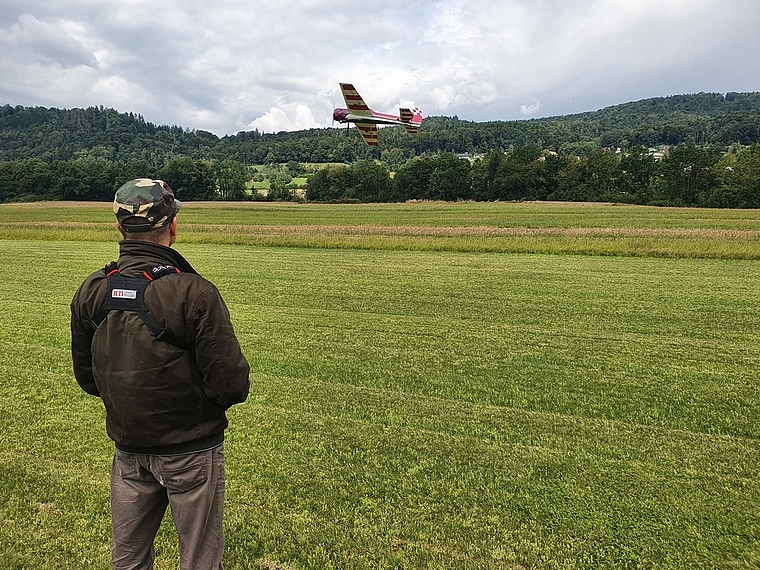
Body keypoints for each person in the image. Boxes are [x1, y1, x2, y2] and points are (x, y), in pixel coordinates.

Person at [70, 178, 250, 570]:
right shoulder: (193, 293)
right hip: (192, 449)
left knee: (129, 559)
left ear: (119, 227)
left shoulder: (92, 291)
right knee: (200, 559)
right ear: (172, 225)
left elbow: (87, 378)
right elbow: (231, 384)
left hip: (129, 448)